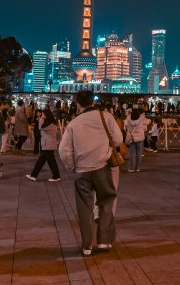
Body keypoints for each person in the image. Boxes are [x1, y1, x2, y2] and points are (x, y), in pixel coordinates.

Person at [58, 90, 122, 256]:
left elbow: (64, 150)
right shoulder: (106, 117)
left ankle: (87, 245)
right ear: (93, 102)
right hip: (102, 167)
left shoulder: (73, 124)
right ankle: (104, 241)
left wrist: (73, 166)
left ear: (78, 105)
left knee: (84, 208)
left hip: (82, 172)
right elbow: (119, 140)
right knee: (106, 201)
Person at [26, 108, 61, 182]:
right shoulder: (50, 122)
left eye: (43, 114)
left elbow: (40, 127)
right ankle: (34, 175)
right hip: (47, 145)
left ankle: (56, 176)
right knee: (42, 161)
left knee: (50, 162)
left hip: (48, 145)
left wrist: (41, 118)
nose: (42, 116)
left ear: (46, 115)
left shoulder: (50, 124)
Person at [124, 108, 148, 172]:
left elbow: (126, 125)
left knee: (132, 154)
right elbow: (146, 124)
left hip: (132, 138)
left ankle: (131, 167)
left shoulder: (128, 119)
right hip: (140, 138)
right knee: (139, 154)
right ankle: (137, 168)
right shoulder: (141, 119)